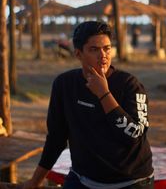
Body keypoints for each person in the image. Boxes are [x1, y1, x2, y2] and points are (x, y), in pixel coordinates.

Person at [22, 21, 154, 189]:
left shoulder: (129, 85)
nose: (103, 55)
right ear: (78, 54)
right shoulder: (64, 84)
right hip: (82, 178)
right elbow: (56, 138)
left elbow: (134, 136)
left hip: (131, 181)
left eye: (107, 48)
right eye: (94, 49)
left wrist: (104, 94)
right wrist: (35, 181)